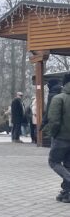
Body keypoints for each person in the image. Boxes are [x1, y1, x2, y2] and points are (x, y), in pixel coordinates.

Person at [46, 74, 70, 202]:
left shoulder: (59, 98)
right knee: (68, 165)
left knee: (53, 161)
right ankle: (67, 192)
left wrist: (53, 134)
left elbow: (54, 121)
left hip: (62, 137)